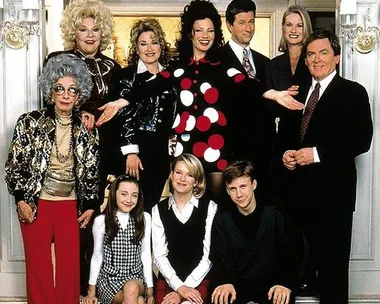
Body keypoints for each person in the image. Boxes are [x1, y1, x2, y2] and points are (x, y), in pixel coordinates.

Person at [97, 0, 303, 205]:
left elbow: (246, 82)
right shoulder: (178, 68)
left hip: (216, 149)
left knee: (218, 207)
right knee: (185, 207)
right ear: (190, 33)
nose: (205, 36)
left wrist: (274, 94)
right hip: (186, 148)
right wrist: (119, 103)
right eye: (199, 30)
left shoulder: (221, 66)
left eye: (210, 31)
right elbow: (149, 86)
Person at [281, 29, 373, 303]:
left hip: (334, 198)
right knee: (297, 272)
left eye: (323, 53)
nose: (317, 59)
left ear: (337, 57)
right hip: (297, 197)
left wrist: (317, 154)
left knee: (332, 275)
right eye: (311, 54)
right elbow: (287, 137)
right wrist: (286, 153)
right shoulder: (297, 94)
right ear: (306, 60)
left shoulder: (353, 92)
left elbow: (361, 140)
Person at [4, 54, 99, 304]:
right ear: (51, 91)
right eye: (60, 89)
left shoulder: (86, 127)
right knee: (39, 269)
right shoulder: (29, 123)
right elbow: (14, 167)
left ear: (79, 94)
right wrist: (21, 200)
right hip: (37, 202)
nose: (66, 95)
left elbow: (92, 171)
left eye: (72, 90)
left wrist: (90, 205)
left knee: (70, 270)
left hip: (71, 203)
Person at [46, 0, 122, 294]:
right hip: (67, 152)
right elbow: (51, 104)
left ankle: (95, 287)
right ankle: (73, 288)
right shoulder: (57, 61)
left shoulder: (114, 68)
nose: (90, 35)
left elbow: (120, 114)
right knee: (72, 222)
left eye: (95, 29)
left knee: (98, 218)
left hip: (103, 153)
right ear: (72, 32)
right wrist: (81, 113)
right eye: (82, 29)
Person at [264, 5, 314, 296]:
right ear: (283, 29)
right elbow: (268, 107)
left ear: (305, 28)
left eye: (298, 25)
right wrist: (280, 100)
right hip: (281, 143)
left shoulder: (315, 60)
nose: (293, 30)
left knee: (307, 215)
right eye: (288, 25)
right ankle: (283, 274)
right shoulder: (274, 65)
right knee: (283, 214)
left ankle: (305, 274)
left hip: (309, 141)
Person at [210, 160, 304, 304]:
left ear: (254, 184)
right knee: (220, 297)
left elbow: (295, 247)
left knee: (282, 297)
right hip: (237, 284)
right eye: (233, 189)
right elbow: (220, 255)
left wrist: (285, 282)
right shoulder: (223, 218)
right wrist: (225, 281)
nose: (239, 194)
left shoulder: (274, 210)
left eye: (243, 186)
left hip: (273, 284)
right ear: (228, 191)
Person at [112, 18, 177, 212]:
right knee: (130, 209)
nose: (149, 48)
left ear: (161, 46)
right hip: (137, 154)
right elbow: (125, 116)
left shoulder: (172, 77)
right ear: (136, 48)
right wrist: (131, 151)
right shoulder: (126, 76)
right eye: (143, 43)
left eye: (154, 42)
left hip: (162, 154)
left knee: (151, 211)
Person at [152, 153, 218, 304]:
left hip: (199, 278)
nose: (182, 179)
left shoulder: (210, 208)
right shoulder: (158, 210)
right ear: (171, 175)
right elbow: (160, 256)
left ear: (196, 181)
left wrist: (185, 289)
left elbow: (208, 256)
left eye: (189, 175)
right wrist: (179, 287)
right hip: (170, 278)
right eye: (178, 172)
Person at [82, 175, 154, 304]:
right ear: (114, 194)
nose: (129, 200)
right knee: (138, 301)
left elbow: (146, 255)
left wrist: (150, 291)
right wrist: (91, 292)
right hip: (109, 280)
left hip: (135, 277)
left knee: (131, 289)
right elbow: (97, 256)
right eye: (124, 194)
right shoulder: (101, 221)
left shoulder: (145, 218)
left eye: (134, 195)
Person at [222, 0, 269, 82]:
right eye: (242, 23)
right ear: (229, 26)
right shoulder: (216, 60)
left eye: (251, 22)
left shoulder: (265, 63)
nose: (248, 29)